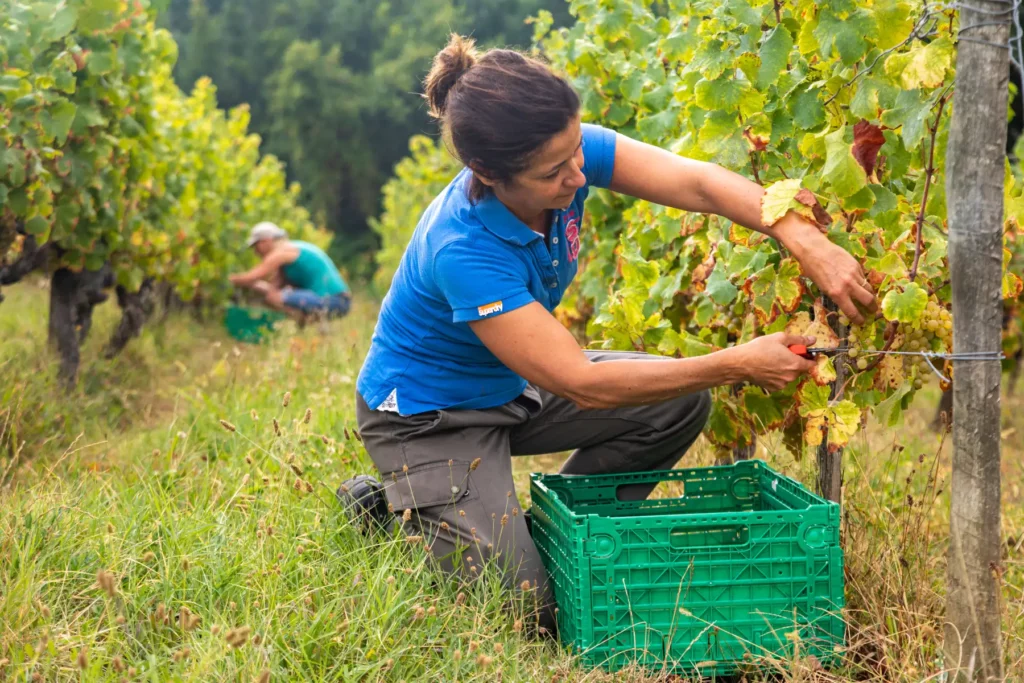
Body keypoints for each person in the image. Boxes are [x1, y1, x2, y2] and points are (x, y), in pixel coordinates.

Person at [339, 35, 878, 634]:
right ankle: (394, 510)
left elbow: (698, 184)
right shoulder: (462, 248)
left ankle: (555, 534)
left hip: (511, 382)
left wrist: (800, 235)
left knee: (675, 404)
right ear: (487, 173)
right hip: (428, 415)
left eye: (577, 151)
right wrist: (735, 363)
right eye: (555, 171)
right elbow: (582, 382)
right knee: (523, 612)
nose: (578, 172)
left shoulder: (562, 152)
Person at [229, 222, 351, 320]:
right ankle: (310, 329)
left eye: (256, 246)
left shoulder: (281, 252)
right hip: (339, 300)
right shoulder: (292, 248)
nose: (256, 252)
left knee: (274, 297)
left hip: (335, 301)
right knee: (273, 295)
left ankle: (311, 325)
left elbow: (253, 277)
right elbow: (273, 287)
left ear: (265, 241)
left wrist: (227, 279)